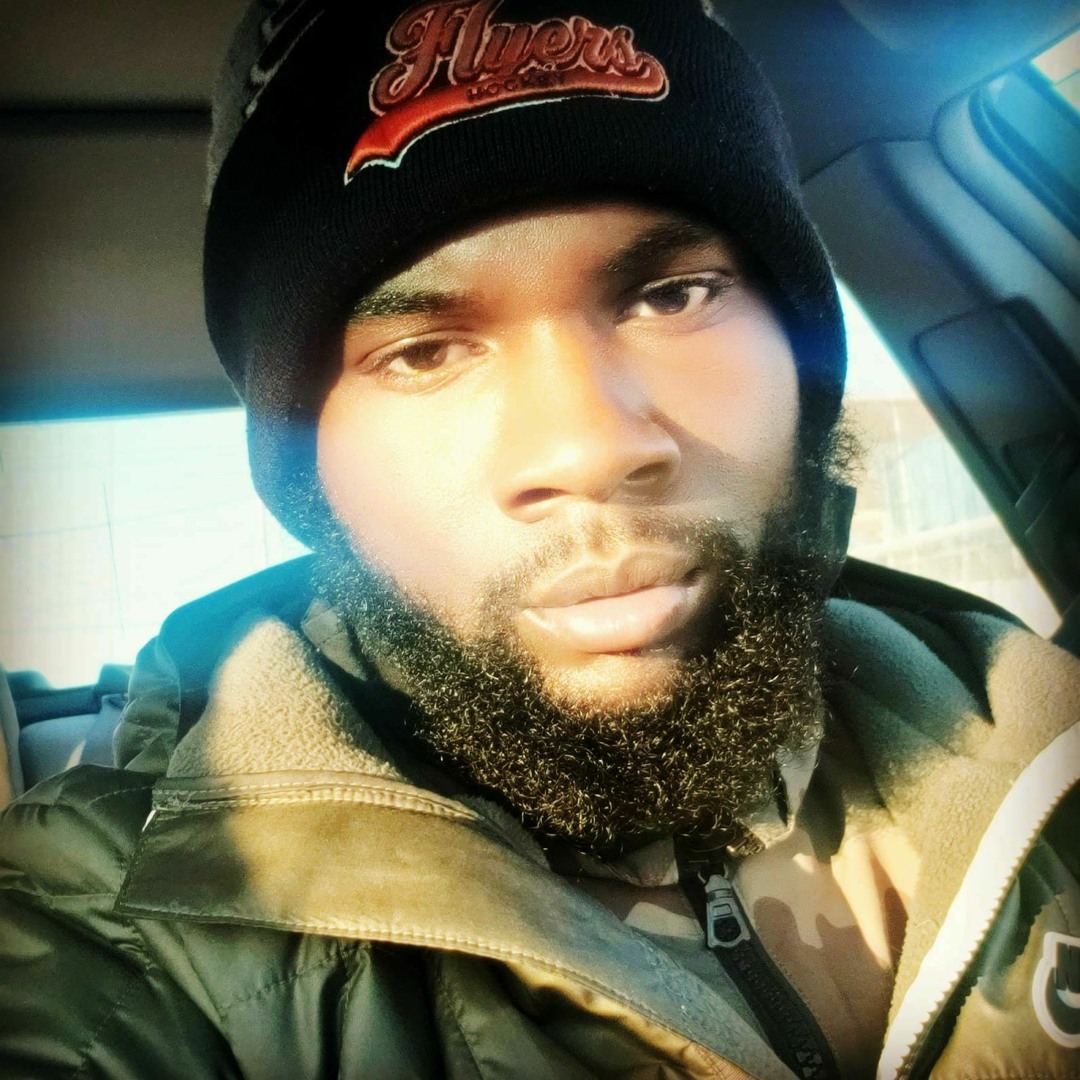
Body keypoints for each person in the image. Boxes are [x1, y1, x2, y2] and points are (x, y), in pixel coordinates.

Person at [1, 2, 1078, 1077]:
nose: (591, 446)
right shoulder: (122, 940)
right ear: (307, 468)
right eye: (424, 353)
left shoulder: (1042, 735)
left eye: (673, 296)